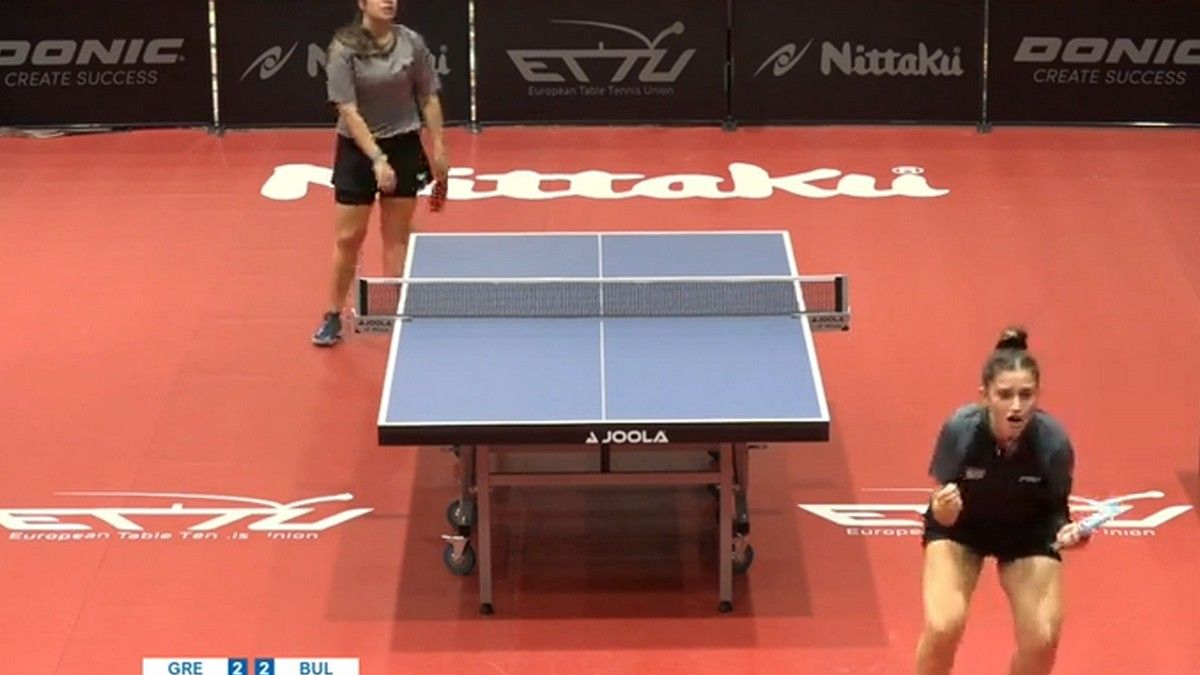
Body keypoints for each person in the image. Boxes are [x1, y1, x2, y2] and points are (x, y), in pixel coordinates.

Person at [915, 327, 1087, 675]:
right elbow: (942, 510)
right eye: (1005, 395)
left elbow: (1057, 513)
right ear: (985, 396)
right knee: (944, 626)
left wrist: (1070, 534)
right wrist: (945, 510)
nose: (1016, 406)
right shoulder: (961, 430)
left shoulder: (1053, 443)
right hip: (962, 528)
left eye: (1026, 395)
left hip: (1027, 533)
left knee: (1041, 639)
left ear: (1038, 395)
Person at [312, 0, 448, 346]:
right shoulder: (343, 48)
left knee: (396, 235)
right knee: (349, 237)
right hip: (357, 151)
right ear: (362, 3)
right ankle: (332, 314)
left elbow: (428, 96)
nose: (388, 1)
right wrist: (376, 158)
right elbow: (348, 110)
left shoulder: (411, 42)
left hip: (404, 145)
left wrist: (439, 147)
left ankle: (400, 310)